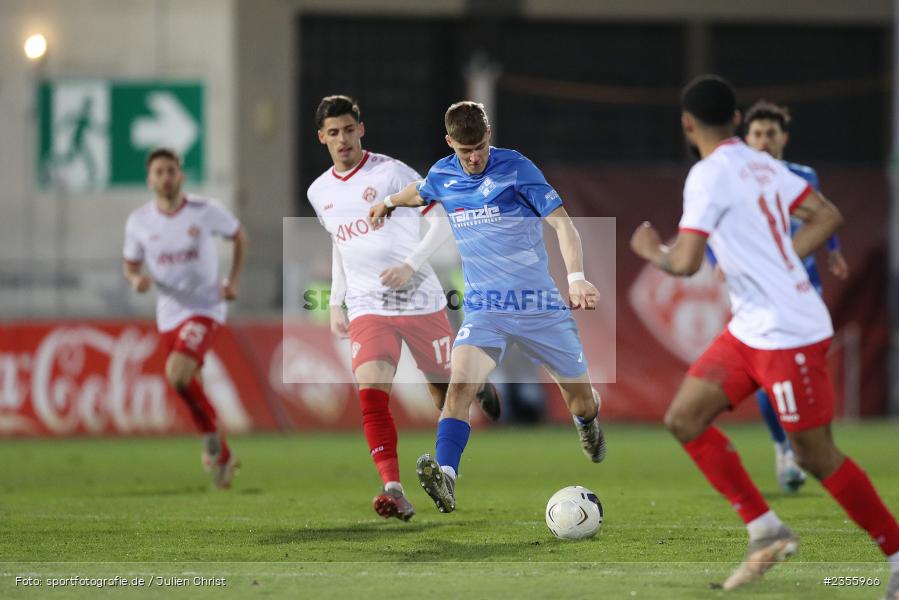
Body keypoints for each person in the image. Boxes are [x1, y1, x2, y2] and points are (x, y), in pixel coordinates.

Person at [630, 75, 899, 594]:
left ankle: (897, 554)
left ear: (687, 124)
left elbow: (685, 263)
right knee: (685, 418)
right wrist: (783, 260)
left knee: (814, 455)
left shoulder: (707, 175)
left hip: (788, 331)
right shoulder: (765, 166)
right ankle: (766, 531)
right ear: (736, 120)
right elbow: (827, 215)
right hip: (751, 327)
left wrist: (650, 251)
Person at [369, 100, 607, 514]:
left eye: (479, 147)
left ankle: (587, 422)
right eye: (466, 151)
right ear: (450, 143)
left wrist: (576, 278)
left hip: (539, 307)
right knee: (459, 387)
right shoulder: (443, 174)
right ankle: (447, 477)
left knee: (582, 402)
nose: (475, 158)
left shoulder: (517, 169)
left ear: (489, 135)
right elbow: (418, 191)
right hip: (485, 309)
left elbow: (563, 224)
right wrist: (388, 202)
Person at [306, 95, 500, 522]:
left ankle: (475, 387)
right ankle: (393, 490)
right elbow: (340, 244)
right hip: (367, 306)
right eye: (334, 133)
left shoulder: (391, 173)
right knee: (372, 396)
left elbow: (441, 220)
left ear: (361, 129)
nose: (343, 139)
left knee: (445, 395)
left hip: (419, 299)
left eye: (349, 129)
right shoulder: (319, 192)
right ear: (322, 138)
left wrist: (410, 265)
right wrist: (337, 301)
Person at [704, 99, 850, 493]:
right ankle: (784, 447)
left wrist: (833, 251)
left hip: (803, 288)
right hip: (758, 290)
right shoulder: (736, 178)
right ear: (747, 138)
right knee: (767, 374)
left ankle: (813, 447)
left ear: (784, 138)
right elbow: (710, 224)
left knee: (806, 370)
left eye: (771, 133)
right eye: (757, 133)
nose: (764, 140)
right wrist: (716, 260)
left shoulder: (803, 175)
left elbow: (822, 215)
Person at [123, 148, 246, 489]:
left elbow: (239, 235)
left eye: (171, 171)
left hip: (206, 307)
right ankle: (222, 455)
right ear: (150, 179)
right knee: (190, 385)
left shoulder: (205, 211)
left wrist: (233, 280)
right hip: (168, 312)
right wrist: (135, 280)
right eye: (159, 172)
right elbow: (130, 266)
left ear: (181, 175)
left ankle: (211, 437)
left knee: (177, 375)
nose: (165, 177)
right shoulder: (139, 222)